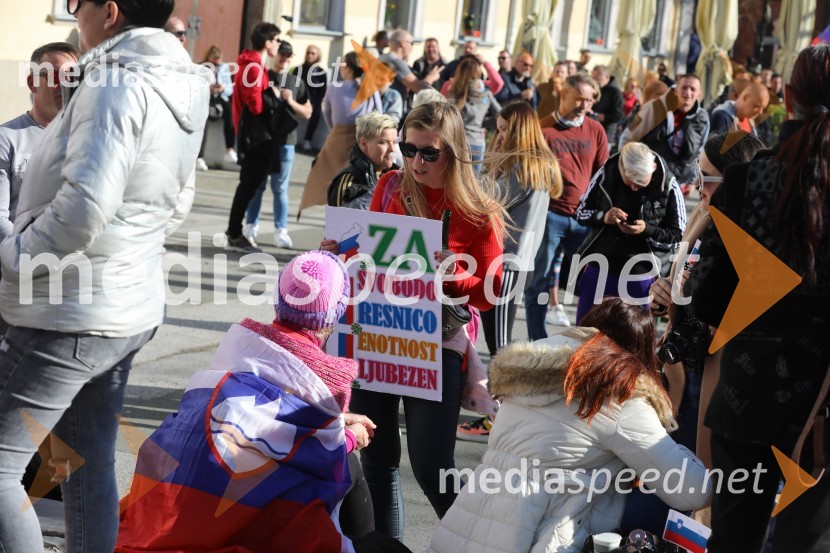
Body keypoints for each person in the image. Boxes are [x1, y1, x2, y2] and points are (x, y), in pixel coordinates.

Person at [0, 1, 210, 551]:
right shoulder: (181, 81)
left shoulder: (112, 82)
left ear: (110, 11)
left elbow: (83, 209)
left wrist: (16, 256)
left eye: (77, 4)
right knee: (83, 461)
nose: (74, 14)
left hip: (69, 308)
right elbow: (176, 200)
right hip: (123, 303)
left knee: (3, 465)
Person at [117, 250, 411, 553]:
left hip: (162, 509)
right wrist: (346, 437)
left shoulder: (242, 349)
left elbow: (264, 422)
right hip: (230, 519)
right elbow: (306, 451)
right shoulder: (323, 381)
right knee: (372, 527)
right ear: (334, 315)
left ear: (278, 299)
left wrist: (334, 425)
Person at [327, 101, 505, 540]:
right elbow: (366, 251)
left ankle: (476, 544)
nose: (416, 161)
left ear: (453, 152)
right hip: (377, 333)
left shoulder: (478, 209)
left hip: (436, 341)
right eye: (408, 149)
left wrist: (455, 274)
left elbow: (489, 293)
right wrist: (337, 252)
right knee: (377, 458)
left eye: (429, 152)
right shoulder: (390, 185)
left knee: (432, 467)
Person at [685, 45, 830, 553]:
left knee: (733, 541)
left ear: (786, 98)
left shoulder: (747, 180)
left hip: (748, 395)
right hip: (820, 407)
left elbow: (706, 299)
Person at [429, 298, 711, 553]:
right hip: (541, 538)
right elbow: (691, 491)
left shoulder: (529, 371)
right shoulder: (618, 393)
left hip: (463, 528)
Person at [647, 130, 765, 462]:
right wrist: (663, 292)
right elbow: (679, 277)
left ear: (736, 180)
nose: (697, 185)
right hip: (683, 365)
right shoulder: (703, 213)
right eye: (697, 174)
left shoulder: (757, 233)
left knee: (702, 472)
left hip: (722, 373)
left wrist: (699, 294)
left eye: (706, 178)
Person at [456, 101, 563, 443]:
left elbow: (484, 199)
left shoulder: (523, 167)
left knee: (500, 345)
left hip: (508, 262)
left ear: (518, 131)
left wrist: (466, 172)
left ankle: (501, 417)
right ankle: (502, 413)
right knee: (498, 341)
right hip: (517, 262)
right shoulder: (537, 164)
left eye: (504, 130)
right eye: (498, 129)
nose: (499, 135)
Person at [525, 73, 608, 341]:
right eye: (580, 98)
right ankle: (538, 341)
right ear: (564, 94)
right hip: (550, 215)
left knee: (591, 280)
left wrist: (599, 213)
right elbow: (529, 169)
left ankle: (585, 342)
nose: (585, 105)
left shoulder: (596, 130)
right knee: (539, 281)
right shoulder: (543, 128)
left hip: (583, 218)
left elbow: (603, 174)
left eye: (590, 100)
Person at [574, 142, 685, 323]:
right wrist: (604, 216)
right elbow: (580, 211)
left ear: (653, 169)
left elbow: (679, 237)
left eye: (641, 183)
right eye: (630, 182)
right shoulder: (607, 171)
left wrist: (646, 230)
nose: (634, 188)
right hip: (601, 264)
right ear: (621, 168)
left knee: (635, 335)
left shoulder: (668, 184)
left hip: (641, 271)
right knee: (585, 329)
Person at [0, 42, 78, 242]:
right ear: (33, 83)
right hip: (22, 256)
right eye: (55, 76)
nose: (65, 84)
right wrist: (32, 251)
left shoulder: (89, 137)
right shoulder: (6, 139)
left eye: (72, 77)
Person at [243, 41, 312, 249]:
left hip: (286, 141)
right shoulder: (263, 76)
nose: (284, 58)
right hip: (263, 139)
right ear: (275, 55)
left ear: (291, 58)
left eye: (288, 55)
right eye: (281, 53)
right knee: (257, 186)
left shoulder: (296, 82)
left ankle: (281, 231)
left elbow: (308, 112)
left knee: (280, 188)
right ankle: (251, 226)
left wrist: (290, 102)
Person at [298, 51, 382, 218]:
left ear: (348, 68)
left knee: (325, 180)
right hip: (362, 141)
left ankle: (334, 218)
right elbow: (379, 113)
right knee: (360, 182)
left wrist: (336, 131)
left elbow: (327, 114)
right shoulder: (369, 87)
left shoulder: (335, 87)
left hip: (337, 139)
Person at [225, 21, 282, 253]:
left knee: (249, 184)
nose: (278, 44)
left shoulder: (252, 64)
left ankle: (234, 232)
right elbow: (256, 105)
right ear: (267, 43)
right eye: (276, 40)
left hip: (253, 134)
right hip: (255, 136)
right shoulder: (254, 67)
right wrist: (273, 94)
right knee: (248, 185)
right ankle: (234, 233)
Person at [620, 74, 710, 195]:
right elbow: (628, 137)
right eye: (684, 87)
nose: (688, 93)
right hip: (649, 181)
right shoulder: (654, 107)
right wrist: (623, 169)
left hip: (677, 184)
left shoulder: (702, 118)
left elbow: (699, 152)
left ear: (699, 94)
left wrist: (692, 180)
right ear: (676, 90)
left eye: (693, 89)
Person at [328, 112, 399, 210]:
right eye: (383, 142)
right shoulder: (349, 181)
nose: (392, 149)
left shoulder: (396, 178)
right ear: (364, 144)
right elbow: (338, 218)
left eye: (394, 142)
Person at [443, 57, 502, 172]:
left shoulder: (453, 92)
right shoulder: (486, 94)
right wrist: (482, 123)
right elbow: (501, 114)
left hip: (457, 142)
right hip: (477, 142)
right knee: (473, 181)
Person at [379, 29, 443, 117]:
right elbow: (420, 88)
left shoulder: (382, 57)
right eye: (411, 43)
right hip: (392, 112)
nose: (412, 48)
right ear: (403, 43)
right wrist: (431, 77)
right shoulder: (395, 61)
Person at [197, 45, 237, 170]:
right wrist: (208, 88)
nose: (217, 66)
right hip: (206, 98)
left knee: (230, 112)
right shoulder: (201, 67)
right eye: (215, 64)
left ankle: (229, 148)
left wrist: (223, 88)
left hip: (221, 98)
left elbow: (230, 89)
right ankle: (199, 156)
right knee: (204, 122)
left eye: (219, 64)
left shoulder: (224, 68)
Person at [295, 45, 327, 151]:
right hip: (299, 100)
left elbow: (322, 91)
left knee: (316, 113)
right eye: (308, 53)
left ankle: (307, 140)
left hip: (314, 102)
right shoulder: (298, 69)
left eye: (313, 53)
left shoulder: (321, 72)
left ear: (318, 56)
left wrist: (314, 103)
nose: (310, 55)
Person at [590, 65, 625, 148]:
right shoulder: (594, 89)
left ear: (607, 78)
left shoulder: (615, 93)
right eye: (593, 78)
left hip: (606, 135)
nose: (594, 81)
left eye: (597, 78)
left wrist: (599, 116)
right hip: (592, 132)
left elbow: (619, 115)